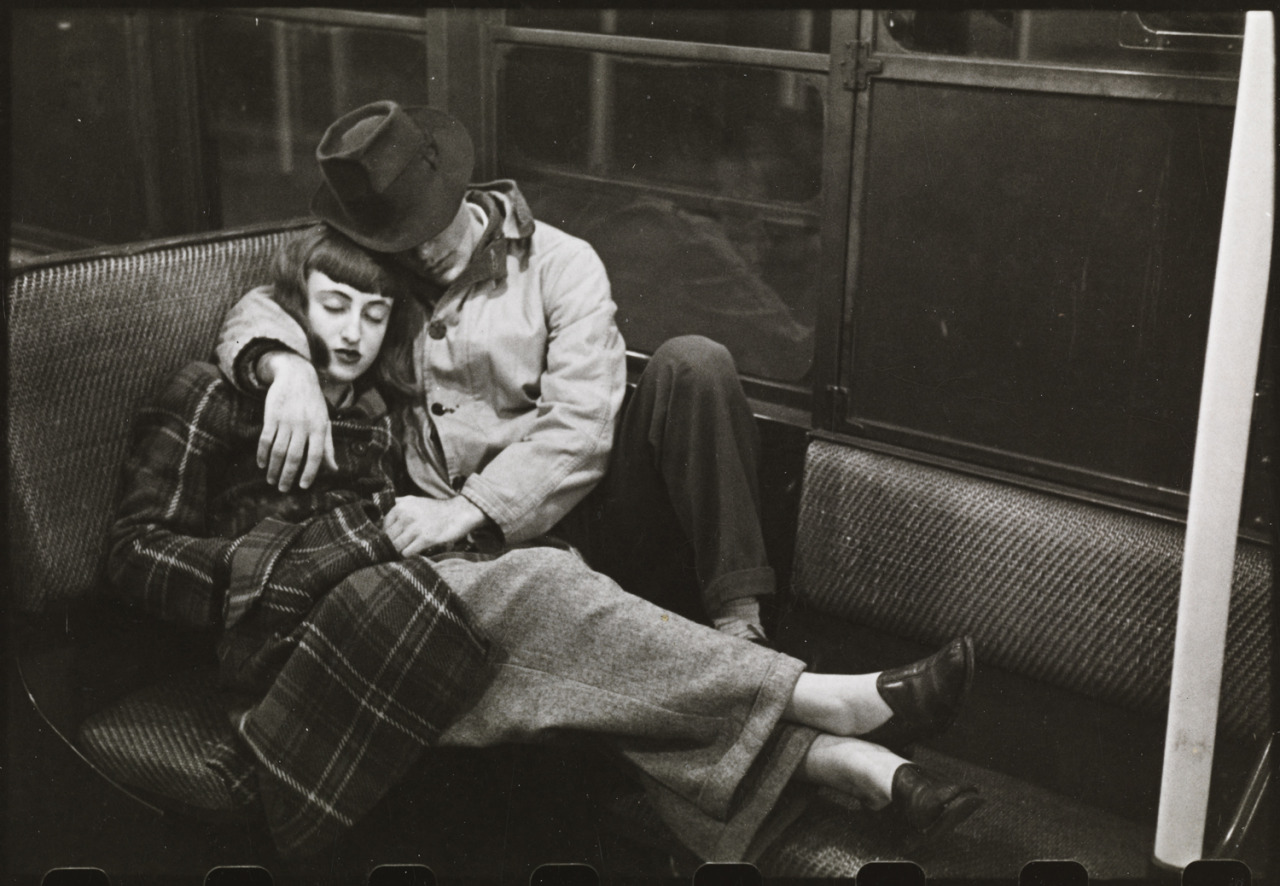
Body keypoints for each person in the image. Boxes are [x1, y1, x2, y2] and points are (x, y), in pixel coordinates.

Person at [111, 224, 984, 861]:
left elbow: (568, 433)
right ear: (295, 306)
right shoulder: (216, 395)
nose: (350, 332)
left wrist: (414, 529)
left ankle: (850, 763)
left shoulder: (380, 413)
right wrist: (264, 564)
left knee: (568, 684)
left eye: (374, 315)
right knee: (538, 587)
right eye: (332, 308)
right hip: (291, 646)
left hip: (399, 601)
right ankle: (824, 703)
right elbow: (131, 551)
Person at [214, 100, 776, 643]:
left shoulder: (562, 262)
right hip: (465, 546)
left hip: (585, 507)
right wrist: (286, 367)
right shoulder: (380, 259)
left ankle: (739, 620)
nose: (418, 248)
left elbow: (581, 425)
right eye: (399, 237)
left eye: (427, 224)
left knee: (695, 363)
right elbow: (269, 301)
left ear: (455, 189)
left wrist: (466, 509)